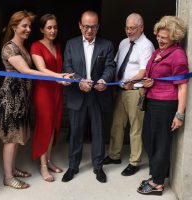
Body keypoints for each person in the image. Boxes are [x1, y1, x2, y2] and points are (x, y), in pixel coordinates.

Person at [0, 11, 68, 189]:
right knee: (11, 137)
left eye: (29, 26)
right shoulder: (9, 47)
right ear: (14, 27)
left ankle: (12, 169)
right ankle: (8, 177)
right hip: (11, 97)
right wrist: (55, 76)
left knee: (17, 136)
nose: (28, 29)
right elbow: (26, 71)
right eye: (24, 26)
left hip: (21, 97)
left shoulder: (23, 47)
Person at [62, 10, 115, 183]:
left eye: (93, 27)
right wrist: (79, 82)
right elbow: (68, 67)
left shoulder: (106, 45)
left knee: (98, 132)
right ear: (80, 25)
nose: (89, 30)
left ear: (98, 27)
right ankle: (73, 166)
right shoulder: (71, 44)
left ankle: (98, 167)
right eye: (86, 26)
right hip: (77, 94)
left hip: (98, 95)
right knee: (75, 131)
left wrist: (103, 79)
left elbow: (110, 67)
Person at [137, 16, 188, 195]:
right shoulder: (158, 52)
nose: (159, 40)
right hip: (153, 101)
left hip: (166, 105)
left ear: (174, 38)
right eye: (158, 36)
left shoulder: (178, 56)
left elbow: (182, 86)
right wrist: (147, 82)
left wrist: (179, 114)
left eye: (164, 38)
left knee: (160, 143)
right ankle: (157, 174)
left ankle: (157, 183)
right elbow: (154, 75)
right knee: (149, 140)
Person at [103, 13, 154, 176]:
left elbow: (143, 71)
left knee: (135, 128)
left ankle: (134, 161)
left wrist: (130, 80)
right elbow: (117, 64)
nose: (128, 31)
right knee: (117, 125)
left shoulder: (146, 45)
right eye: (127, 27)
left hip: (135, 91)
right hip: (121, 90)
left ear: (141, 28)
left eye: (132, 28)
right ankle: (114, 155)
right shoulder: (124, 43)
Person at [30, 14, 70, 182]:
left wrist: (65, 75)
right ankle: (43, 166)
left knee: (54, 125)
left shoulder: (58, 46)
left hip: (57, 91)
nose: (53, 30)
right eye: (49, 27)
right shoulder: (35, 46)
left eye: (55, 27)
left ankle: (48, 160)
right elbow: (41, 69)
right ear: (41, 29)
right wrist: (60, 76)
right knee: (44, 126)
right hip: (43, 92)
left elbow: (60, 67)